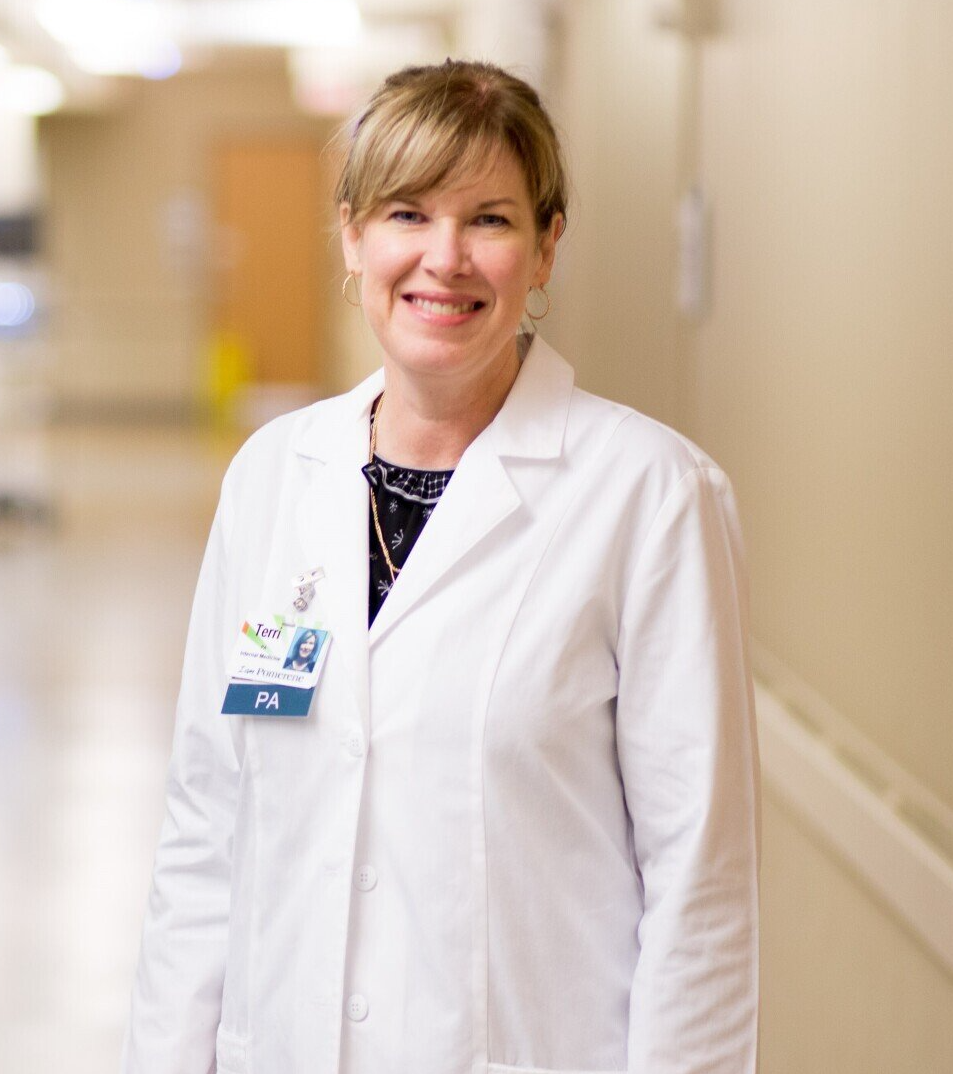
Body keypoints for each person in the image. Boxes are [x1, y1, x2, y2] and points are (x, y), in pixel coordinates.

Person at [122, 59, 759, 1074]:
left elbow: (701, 886)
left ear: (547, 245)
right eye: (408, 214)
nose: (445, 258)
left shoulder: (650, 495)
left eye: (492, 220)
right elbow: (209, 821)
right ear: (352, 236)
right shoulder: (273, 479)